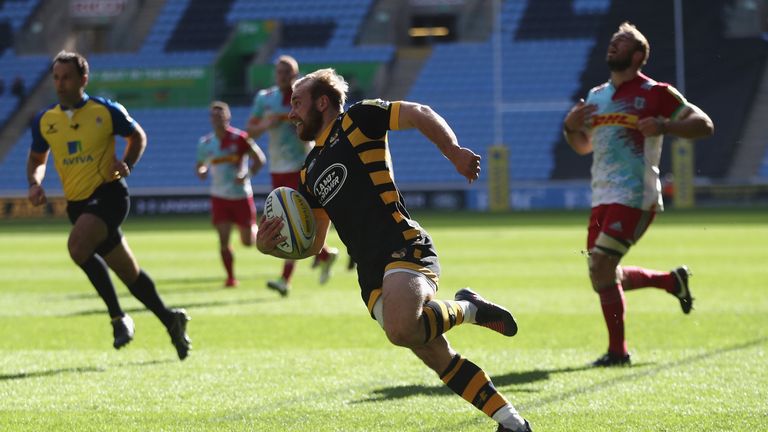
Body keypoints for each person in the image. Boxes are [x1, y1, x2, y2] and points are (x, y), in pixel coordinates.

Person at [256, 69, 533, 432]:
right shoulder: (307, 172)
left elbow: (419, 112)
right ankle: (512, 423)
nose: (290, 113)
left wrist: (453, 151)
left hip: (403, 245)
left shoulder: (357, 119)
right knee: (437, 355)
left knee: (402, 328)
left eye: (296, 102)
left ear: (322, 103)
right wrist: (269, 247)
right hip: (370, 276)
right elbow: (314, 243)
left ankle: (469, 308)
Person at [562, 22, 714, 367]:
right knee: (603, 274)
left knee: (601, 265)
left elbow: (704, 125)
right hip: (601, 197)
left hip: (635, 195)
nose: (613, 45)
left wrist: (666, 125)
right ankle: (670, 280)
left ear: (638, 55)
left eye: (622, 42)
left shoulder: (657, 92)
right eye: (613, 41)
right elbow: (582, 146)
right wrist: (571, 127)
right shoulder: (597, 96)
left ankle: (619, 352)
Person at [26, 51, 192, 360]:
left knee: (77, 248)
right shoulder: (46, 120)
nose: (60, 84)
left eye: (67, 77)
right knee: (130, 275)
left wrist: (127, 162)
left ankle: (118, 318)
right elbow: (37, 159)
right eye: (56, 78)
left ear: (83, 79)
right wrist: (35, 183)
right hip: (78, 206)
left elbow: (137, 136)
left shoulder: (105, 110)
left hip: (110, 195)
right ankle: (171, 320)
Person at [247, 55, 338, 296]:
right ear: (275, 74)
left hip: (302, 166)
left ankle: (285, 280)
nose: (284, 76)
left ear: (296, 74)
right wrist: (269, 122)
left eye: (289, 72)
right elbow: (250, 131)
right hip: (277, 167)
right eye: (280, 72)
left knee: (291, 220)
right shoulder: (265, 99)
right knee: (294, 218)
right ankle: (326, 254)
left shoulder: (302, 97)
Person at [196, 101, 266, 287]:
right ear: (210, 119)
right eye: (214, 116)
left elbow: (259, 159)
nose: (217, 119)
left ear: (228, 117)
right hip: (219, 197)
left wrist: (247, 174)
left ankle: (255, 228)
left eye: (221, 115)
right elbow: (200, 165)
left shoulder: (240, 138)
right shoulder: (206, 143)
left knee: (248, 242)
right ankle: (230, 278)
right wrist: (202, 170)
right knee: (223, 240)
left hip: (240, 196)